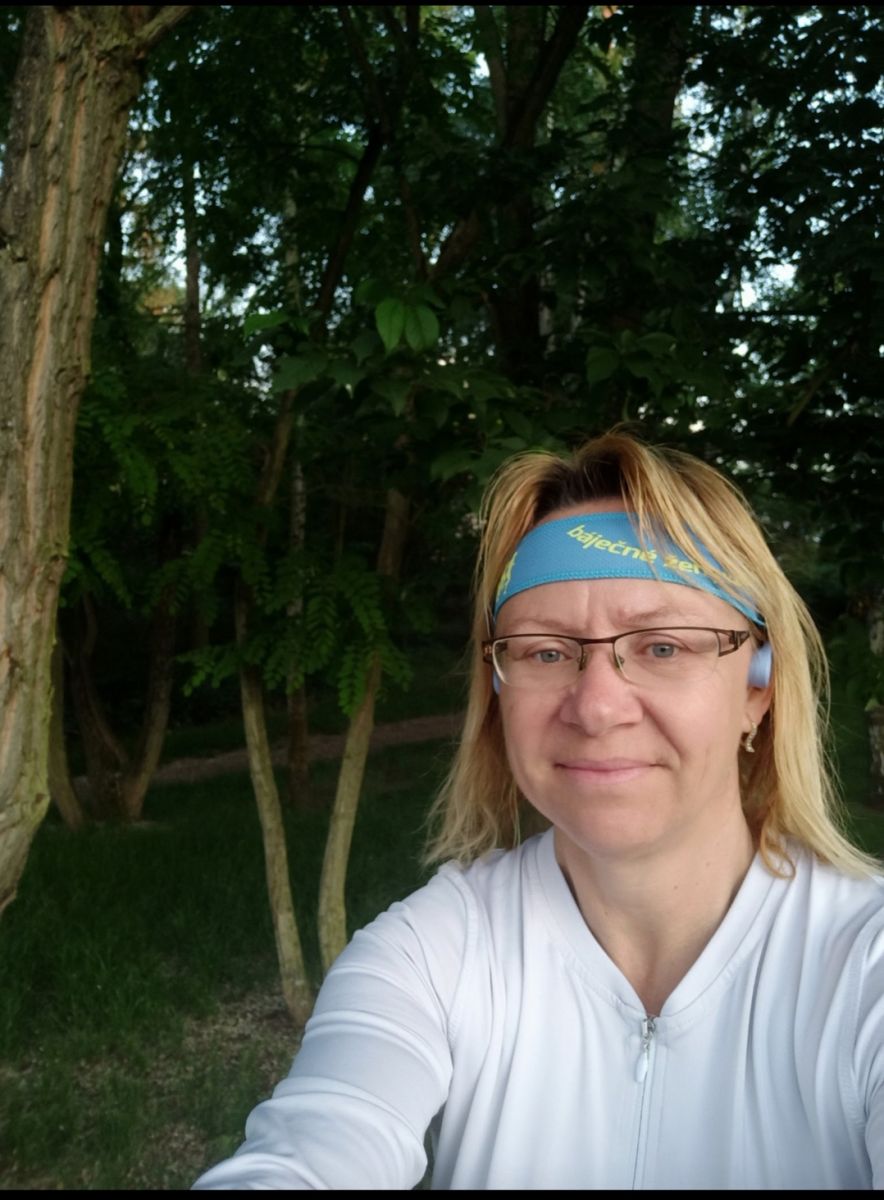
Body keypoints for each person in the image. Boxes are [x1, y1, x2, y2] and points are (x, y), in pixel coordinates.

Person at [193, 430, 884, 1190]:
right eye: (545, 652)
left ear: (757, 689)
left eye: (662, 647)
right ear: (498, 691)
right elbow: (312, 1151)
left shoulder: (864, 964)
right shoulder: (433, 955)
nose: (597, 707)